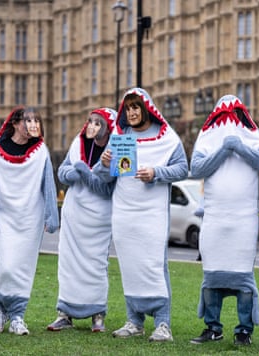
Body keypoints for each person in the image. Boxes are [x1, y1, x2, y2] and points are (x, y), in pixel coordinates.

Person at [94, 87, 188, 342]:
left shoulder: (167, 138)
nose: (132, 112)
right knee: (129, 264)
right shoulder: (120, 136)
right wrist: (103, 164)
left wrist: (156, 173)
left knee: (155, 265)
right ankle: (134, 321)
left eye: (136, 107)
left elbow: (182, 169)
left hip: (152, 214)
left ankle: (163, 324)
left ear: (146, 109)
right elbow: (104, 177)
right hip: (124, 212)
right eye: (128, 108)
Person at [190, 94, 259, 346]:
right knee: (212, 276)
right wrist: (225, 149)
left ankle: (243, 331)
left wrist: (239, 146)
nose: (228, 119)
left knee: (242, 277)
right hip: (215, 219)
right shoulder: (207, 138)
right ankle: (213, 327)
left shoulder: (252, 136)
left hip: (243, 221)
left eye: (233, 113)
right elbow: (197, 169)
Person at [0, 106, 59, 336]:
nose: (33, 125)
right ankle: (1, 309)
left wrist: (51, 215)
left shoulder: (41, 151)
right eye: (28, 120)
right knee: (6, 266)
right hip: (5, 216)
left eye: (36, 120)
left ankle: (17, 316)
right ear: (15, 123)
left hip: (30, 218)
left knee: (24, 268)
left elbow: (48, 184)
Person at [46, 108, 116, 332]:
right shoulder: (78, 143)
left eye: (98, 123)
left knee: (96, 265)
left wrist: (85, 172)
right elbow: (62, 172)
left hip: (99, 217)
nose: (92, 126)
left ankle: (97, 314)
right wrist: (74, 173)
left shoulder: (115, 150)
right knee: (68, 264)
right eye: (90, 121)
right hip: (74, 213)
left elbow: (107, 189)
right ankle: (64, 312)